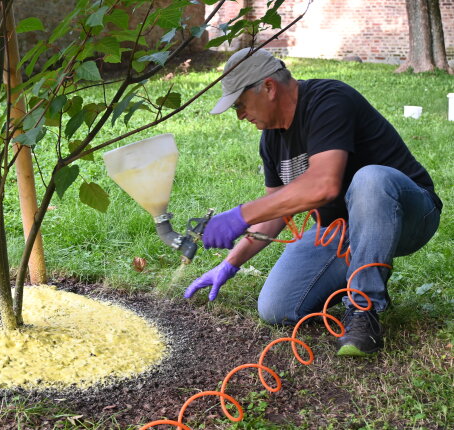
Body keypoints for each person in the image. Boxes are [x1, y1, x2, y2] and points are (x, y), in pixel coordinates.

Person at [184, 48, 442, 356]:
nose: (239, 115)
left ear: (268, 87)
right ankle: (360, 266)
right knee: (276, 307)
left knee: (371, 178)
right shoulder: (271, 140)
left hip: (408, 214)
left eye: (240, 104)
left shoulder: (329, 99)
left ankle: (363, 309)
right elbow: (277, 211)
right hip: (342, 230)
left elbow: (324, 185)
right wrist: (230, 263)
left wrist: (239, 216)